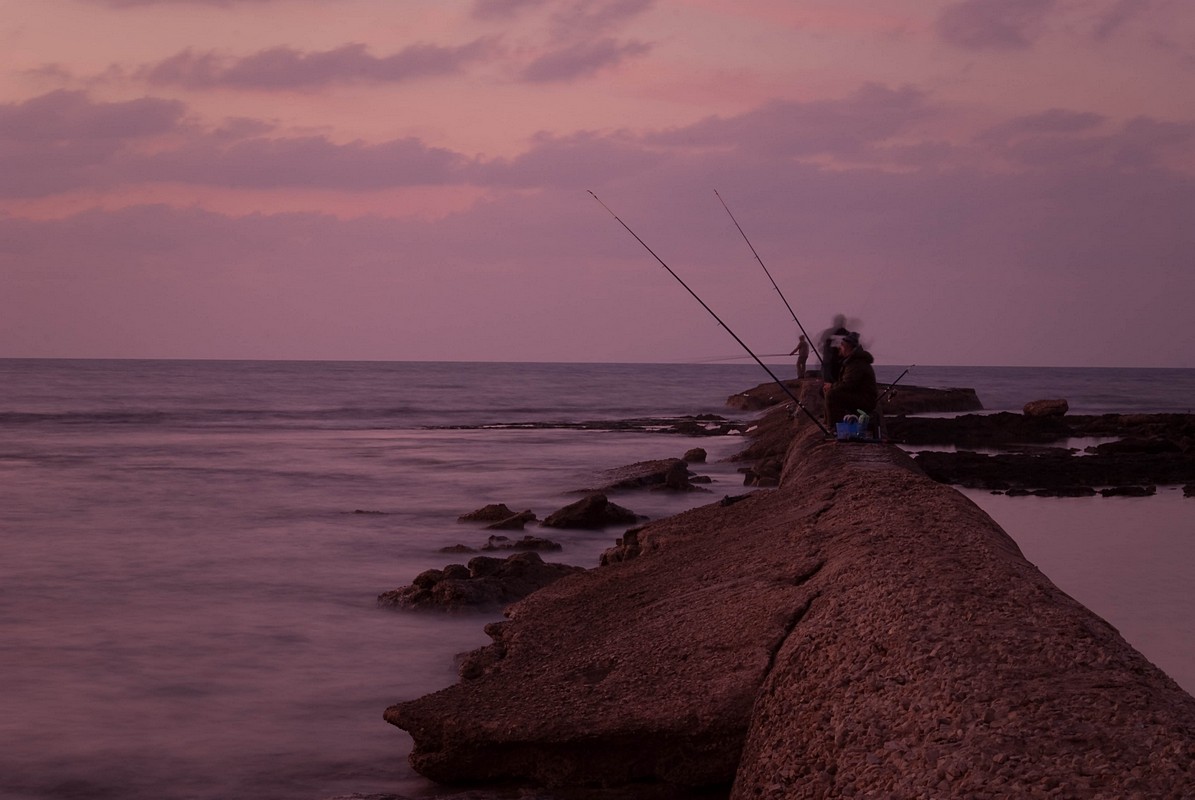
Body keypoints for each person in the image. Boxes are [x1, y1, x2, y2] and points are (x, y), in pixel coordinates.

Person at [822, 331, 878, 426]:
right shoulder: (851, 361)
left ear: (847, 346)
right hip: (859, 396)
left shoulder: (857, 363)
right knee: (825, 390)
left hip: (866, 400)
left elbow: (848, 384)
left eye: (842, 345)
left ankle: (834, 427)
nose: (840, 347)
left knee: (832, 394)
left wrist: (832, 386)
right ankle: (829, 422)